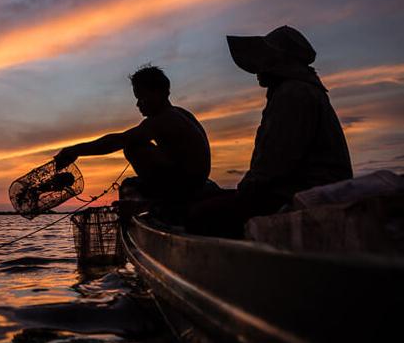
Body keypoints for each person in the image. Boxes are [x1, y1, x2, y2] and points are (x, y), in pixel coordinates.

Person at [187, 25, 353, 238]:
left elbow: (275, 162)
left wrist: (245, 191)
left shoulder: (293, 94)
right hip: (295, 189)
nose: (257, 69)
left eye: (263, 60)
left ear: (278, 62)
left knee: (199, 215)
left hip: (301, 193)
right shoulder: (298, 91)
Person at [54, 65, 211, 217]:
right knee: (131, 181)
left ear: (160, 93)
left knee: (132, 146)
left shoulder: (164, 119)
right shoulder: (180, 113)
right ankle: (154, 199)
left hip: (188, 187)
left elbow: (119, 140)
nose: (138, 104)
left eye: (141, 98)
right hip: (194, 181)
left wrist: (75, 150)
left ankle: (157, 203)